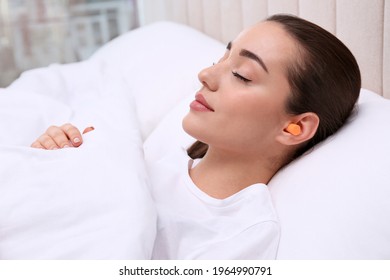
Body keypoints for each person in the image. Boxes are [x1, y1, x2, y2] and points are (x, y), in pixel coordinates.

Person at [31, 14, 361, 259]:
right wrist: (53, 157)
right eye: (221, 58)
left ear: (294, 128)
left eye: (240, 75)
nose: (206, 74)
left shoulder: (241, 235)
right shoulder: (152, 162)